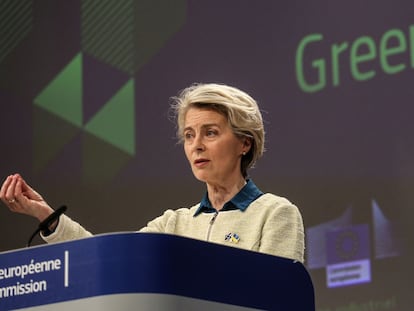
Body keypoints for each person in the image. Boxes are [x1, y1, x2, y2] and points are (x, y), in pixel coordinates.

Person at [0, 83, 305, 262]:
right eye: (188, 135)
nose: (196, 145)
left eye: (210, 133)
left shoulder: (275, 213)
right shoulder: (173, 223)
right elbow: (110, 260)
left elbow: (279, 297)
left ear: (244, 143)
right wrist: (47, 217)